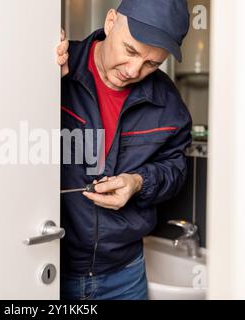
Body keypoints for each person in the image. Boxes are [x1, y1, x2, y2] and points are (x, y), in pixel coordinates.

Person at [57, 0, 192, 300]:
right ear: (110, 22)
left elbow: (176, 169)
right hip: (50, 267)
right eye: (130, 50)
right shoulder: (57, 68)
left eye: (151, 64)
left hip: (125, 276)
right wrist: (35, 77)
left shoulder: (169, 104)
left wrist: (138, 183)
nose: (133, 70)